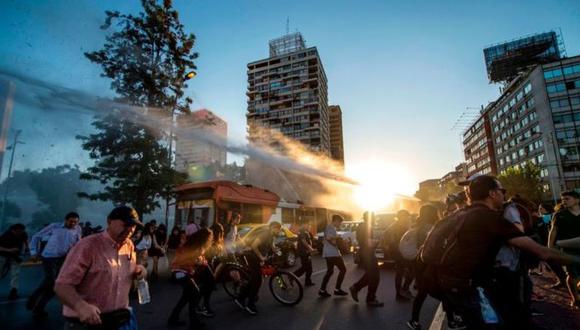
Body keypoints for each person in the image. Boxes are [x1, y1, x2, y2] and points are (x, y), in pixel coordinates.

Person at [436, 175, 580, 329]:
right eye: (501, 190)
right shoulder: (489, 218)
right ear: (492, 193)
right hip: (470, 286)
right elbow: (541, 252)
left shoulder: (460, 214)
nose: (504, 194)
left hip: (451, 283)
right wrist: (576, 259)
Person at [54, 206, 146, 329]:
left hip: (121, 320)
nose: (129, 230)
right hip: (88, 323)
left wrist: (140, 270)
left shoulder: (128, 245)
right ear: (109, 221)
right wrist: (80, 306)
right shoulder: (88, 246)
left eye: (133, 226)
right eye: (125, 224)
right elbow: (62, 286)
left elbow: (127, 270)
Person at [27, 212, 81, 318]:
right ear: (65, 220)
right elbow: (36, 237)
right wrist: (33, 252)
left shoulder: (78, 229)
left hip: (64, 259)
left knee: (56, 286)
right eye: (71, 221)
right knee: (50, 279)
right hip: (49, 257)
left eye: (75, 222)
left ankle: (39, 308)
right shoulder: (54, 226)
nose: (73, 224)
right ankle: (33, 297)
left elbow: (78, 244)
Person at [168, 227, 213, 328]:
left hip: (186, 273)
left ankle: (173, 319)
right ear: (203, 238)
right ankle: (193, 322)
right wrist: (197, 262)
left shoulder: (199, 246)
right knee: (194, 293)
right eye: (209, 238)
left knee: (186, 297)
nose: (210, 240)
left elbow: (202, 260)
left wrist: (202, 262)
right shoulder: (190, 245)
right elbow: (182, 260)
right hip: (179, 272)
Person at [234, 221, 282, 315]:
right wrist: (261, 257)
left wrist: (275, 249)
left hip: (257, 258)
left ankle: (240, 298)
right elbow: (254, 246)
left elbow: (271, 245)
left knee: (254, 280)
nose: (279, 231)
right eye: (278, 229)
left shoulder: (271, 236)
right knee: (257, 281)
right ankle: (250, 305)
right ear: (273, 228)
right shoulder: (265, 234)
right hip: (252, 257)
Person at [548, 190, 580, 308]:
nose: (564, 201)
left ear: (577, 200)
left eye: (567, 199)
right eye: (563, 199)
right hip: (567, 249)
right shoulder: (559, 215)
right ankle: (575, 298)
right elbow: (553, 231)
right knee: (572, 274)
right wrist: (549, 248)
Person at [350, 212, 383, 307]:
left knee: (370, 275)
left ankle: (355, 288)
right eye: (374, 217)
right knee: (375, 276)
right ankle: (370, 298)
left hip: (364, 253)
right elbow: (369, 243)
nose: (375, 219)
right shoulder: (367, 227)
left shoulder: (361, 226)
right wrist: (379, 240)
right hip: (368, 253)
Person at [319, 215, 348, 298]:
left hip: (330, 253)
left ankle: (322, 290)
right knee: (343, 270)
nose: (340, 224)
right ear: (335, 220)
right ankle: (337, 289)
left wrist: (336, 239)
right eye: (340, 222)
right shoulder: (330, 227)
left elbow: (327, 239)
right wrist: (338, 239)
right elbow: (328, 238)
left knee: (330, 271)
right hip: (332, 253)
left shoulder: (331, 228)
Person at [387, 209, 414, 299]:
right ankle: (401, 292)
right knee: (404, 271)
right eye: (406, 217)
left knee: (402, 272)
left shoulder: (402, 225)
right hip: (399, 252)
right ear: (401, 217)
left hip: (402, 252)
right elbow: (394, 242)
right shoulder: (396, 227)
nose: (407, 218)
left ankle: (402, 291)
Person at [0, 223, 28, 300]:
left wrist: (27, 248)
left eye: (22, 231)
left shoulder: (23, 234)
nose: (21, 233)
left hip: (15, 256)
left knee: (15, 274)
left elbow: (25, 240)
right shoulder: (6, 235)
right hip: (3, 255)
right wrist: (9, 250)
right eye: (19, 231)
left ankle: (13, 291)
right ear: (13, 230)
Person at [293, 220, 316, 287]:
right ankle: (292, 276)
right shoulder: (302, 231)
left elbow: (310, 240)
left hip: (307, 252)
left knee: (309, 268)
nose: (310, 226)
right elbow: (303, 241)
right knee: (305, 267)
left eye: (310, 225)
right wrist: (311, 249)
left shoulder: (306, 231)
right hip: (303, 252)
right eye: (308, 224)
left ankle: (307, 282)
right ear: (304, 224)